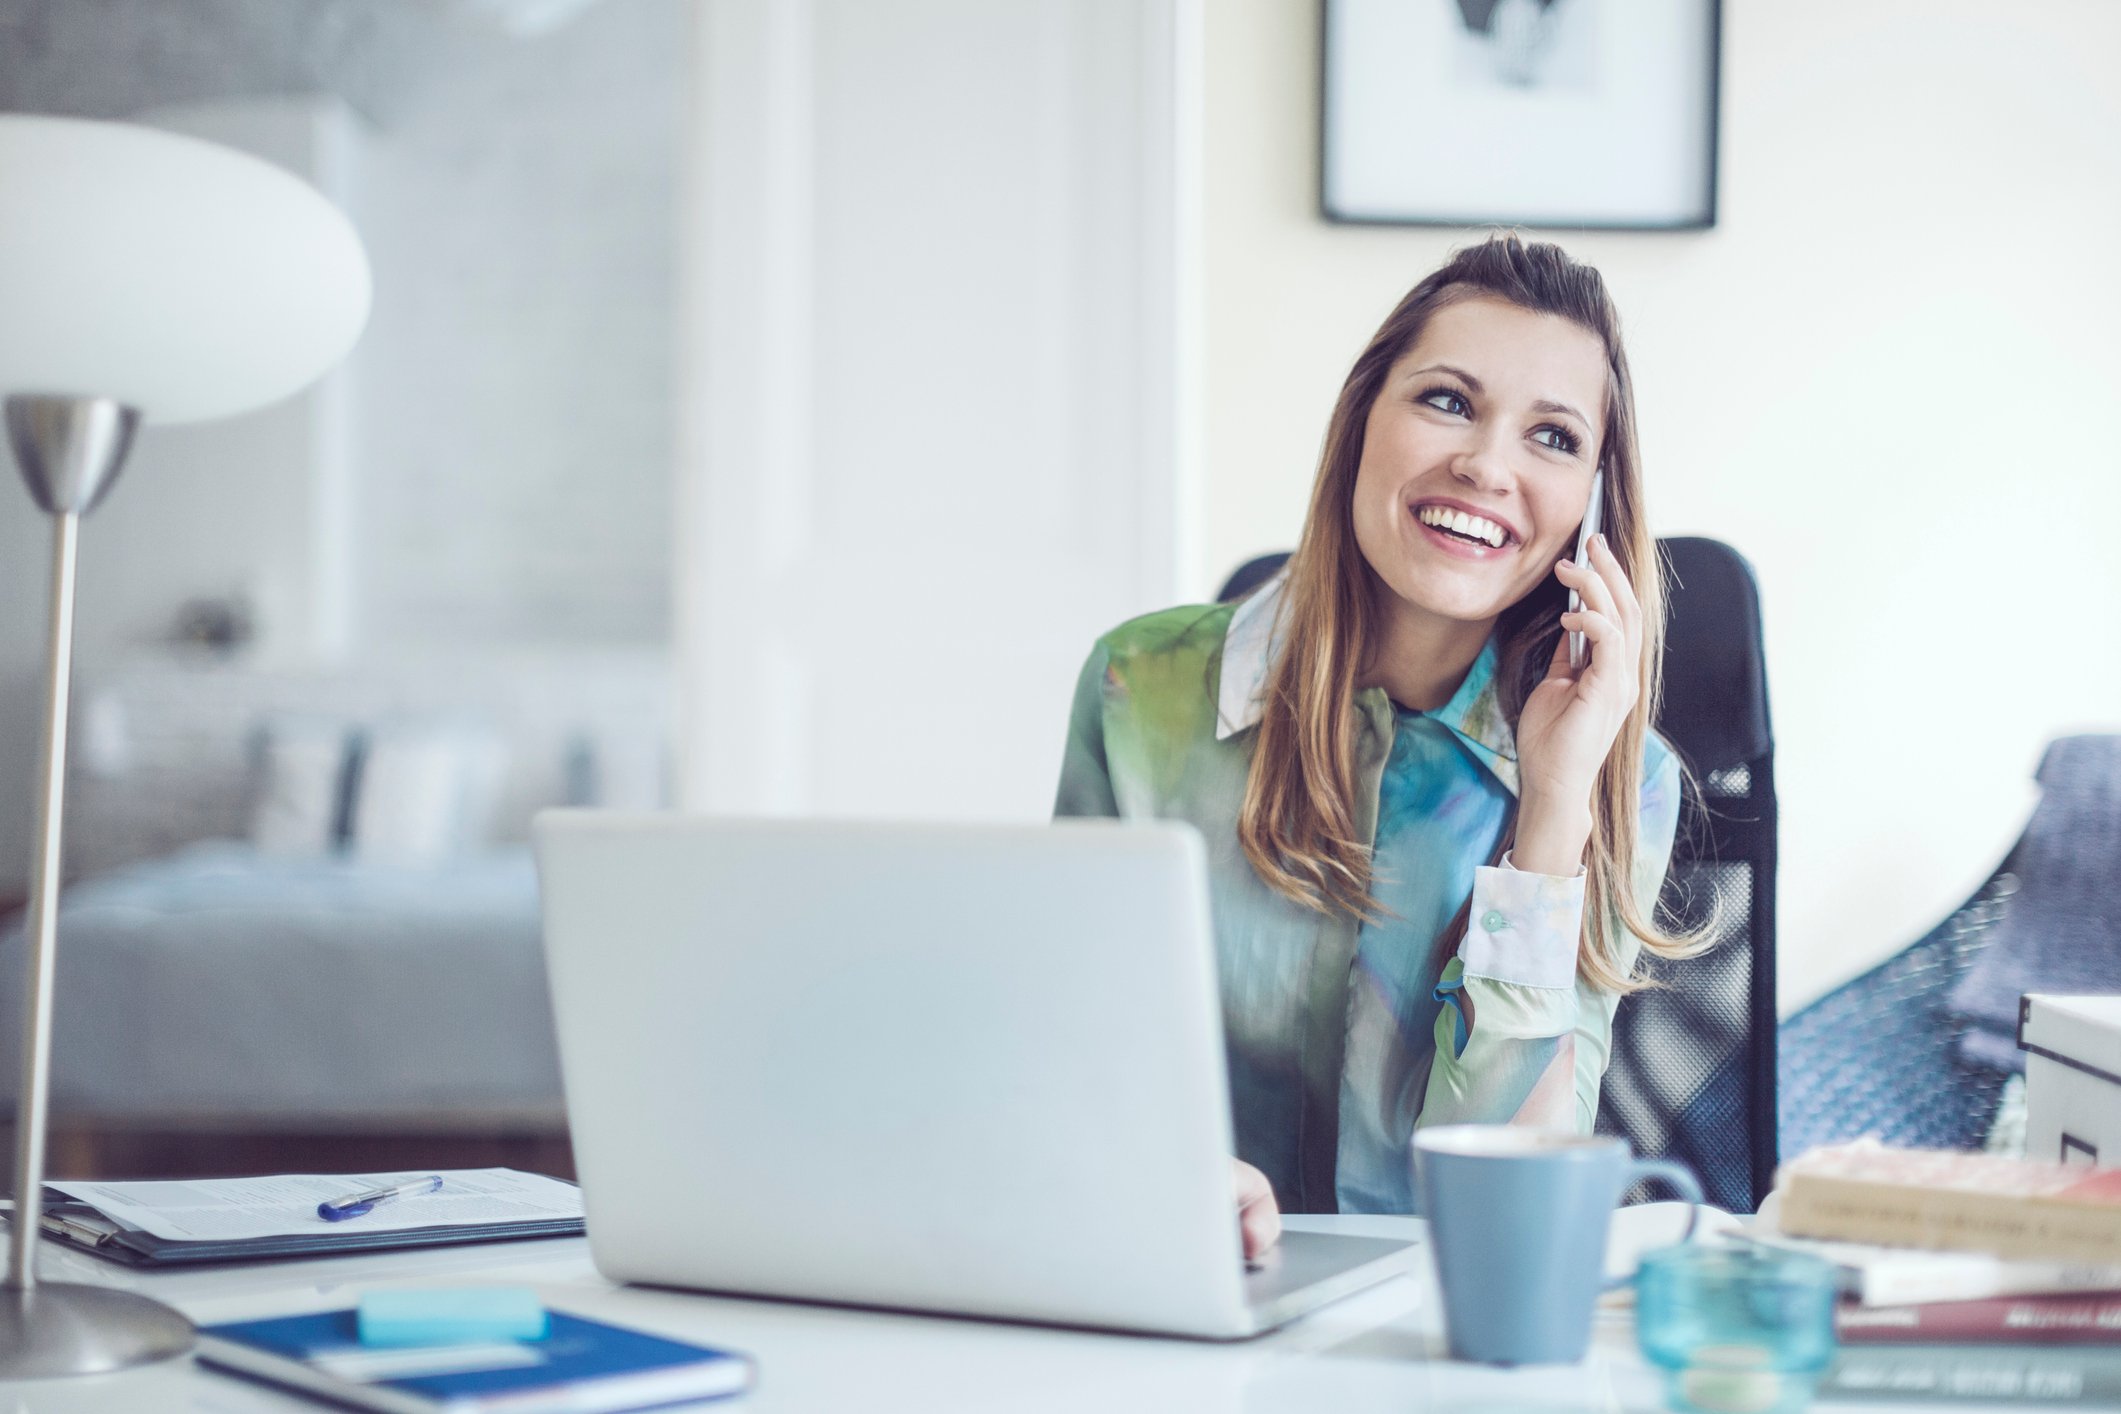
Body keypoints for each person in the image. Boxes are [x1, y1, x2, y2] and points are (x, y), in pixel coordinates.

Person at [1053, 235, 1697, 1257]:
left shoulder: (1620, 784)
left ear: (1591, 512)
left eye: (1553, 437)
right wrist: (1159, 1166)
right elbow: (1064, 1058)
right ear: (1363, 423)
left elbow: (1505, 1216)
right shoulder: (1142, 691)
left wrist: (1551, 818)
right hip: (1175, 1278)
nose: (1487, 465)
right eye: (1447, 400)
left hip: (1434, 1323)